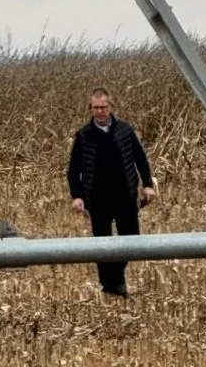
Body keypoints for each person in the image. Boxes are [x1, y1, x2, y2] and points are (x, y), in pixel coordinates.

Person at [66, 86, 157, 297]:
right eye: (96, 107)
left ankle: (115, 278)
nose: (100, 111)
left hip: (125, 195)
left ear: (110, 107)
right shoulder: (83, 135)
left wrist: (148, 185)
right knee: (102, 244)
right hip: (97, 199)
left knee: (131, 240)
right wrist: (77, 196)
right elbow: (73, 169)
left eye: (103, 107)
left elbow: (140, 158)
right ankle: (111, 287)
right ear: (90, 109)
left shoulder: (124, 130)